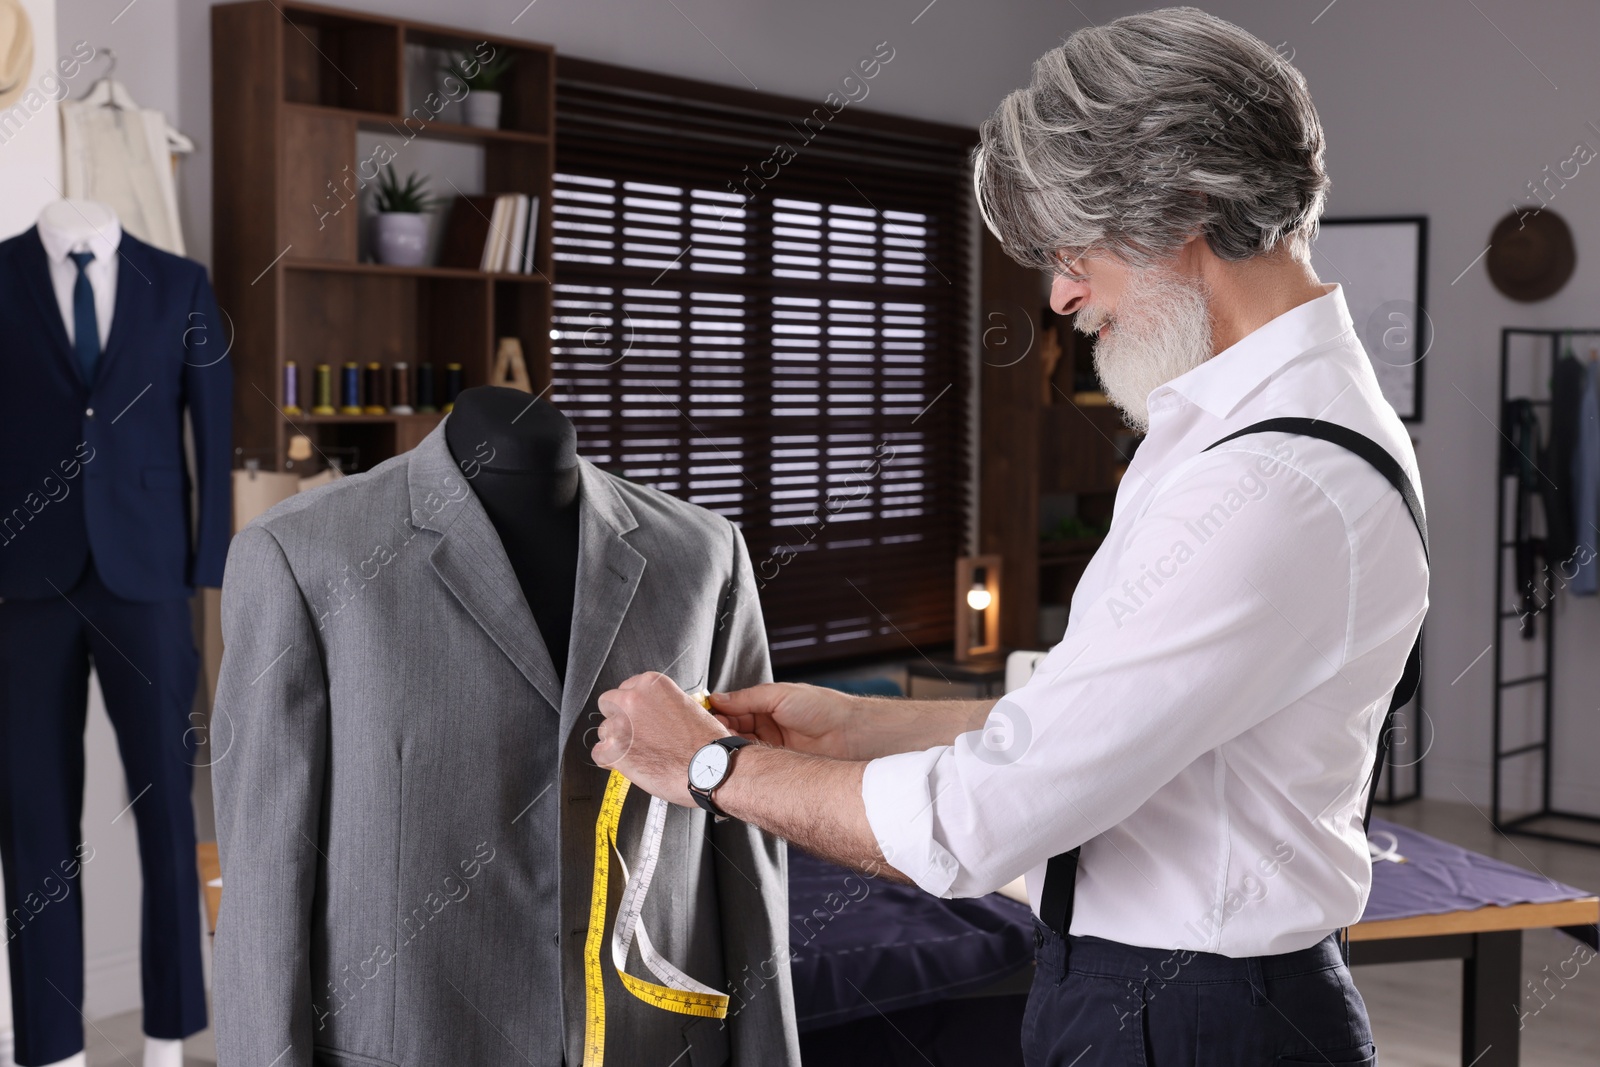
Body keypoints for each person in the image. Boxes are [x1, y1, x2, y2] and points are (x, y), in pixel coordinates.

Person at [592, 8, 1426, 1064]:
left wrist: (707, 768)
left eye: (1075, 249)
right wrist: (860, 724)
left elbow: (976, 824)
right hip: (1154, 998)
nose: (1061, 294)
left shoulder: (1273, 476)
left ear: (1186, 204)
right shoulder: (1243, 428)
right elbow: (1110, 718)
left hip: (1193, 1020)